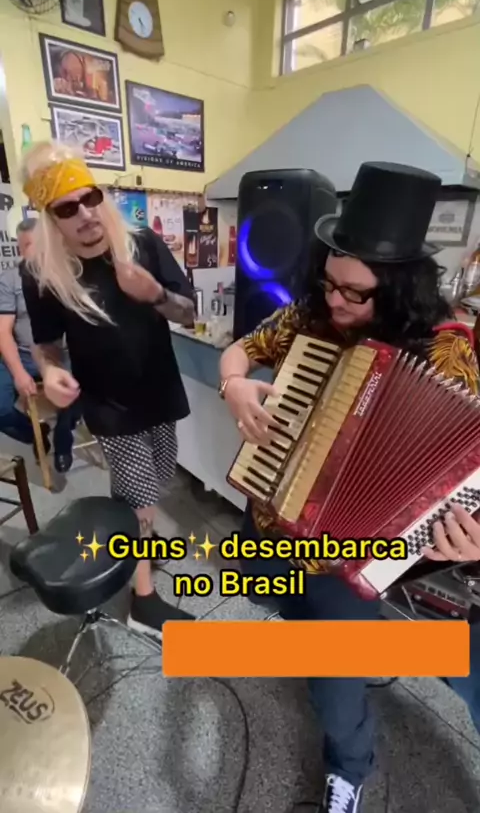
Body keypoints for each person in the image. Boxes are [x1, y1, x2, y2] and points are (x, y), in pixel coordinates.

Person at [219, 162, 480, 813]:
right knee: (271, 597)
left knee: (336, 682)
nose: (335, 302)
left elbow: (465, 470)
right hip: (273, 516)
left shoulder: (446, 353)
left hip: (350, 556)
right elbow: (243, 349)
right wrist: (234, 384)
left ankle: (349, 771)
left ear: (397, 289)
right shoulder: (311, 316)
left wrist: (464, 536)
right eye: (329, 283)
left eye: (355, 294)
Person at [20, 140, 196, 639]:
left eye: (90, 198)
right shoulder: (43, 274)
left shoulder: (142, 245)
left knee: (156, 485)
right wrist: (50, 371)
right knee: (138, 500)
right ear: (50, 218)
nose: (85, 214)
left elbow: (189, 313)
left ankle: (136, 550)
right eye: (67, 208)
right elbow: (46, 345)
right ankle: (143, 602)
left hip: (159, 391)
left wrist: (154, 293)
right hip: (109, 406)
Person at [0, 218, 78, 472]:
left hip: (61, 355)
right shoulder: (10, 279)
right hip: (23, 355)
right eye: (24, 246)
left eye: (34, 245)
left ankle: (63, 441)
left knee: (76, 391)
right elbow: (3, 332)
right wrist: (19, 373)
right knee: (1, 409)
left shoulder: (67, 274)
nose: (29, 253)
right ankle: (36, 433)